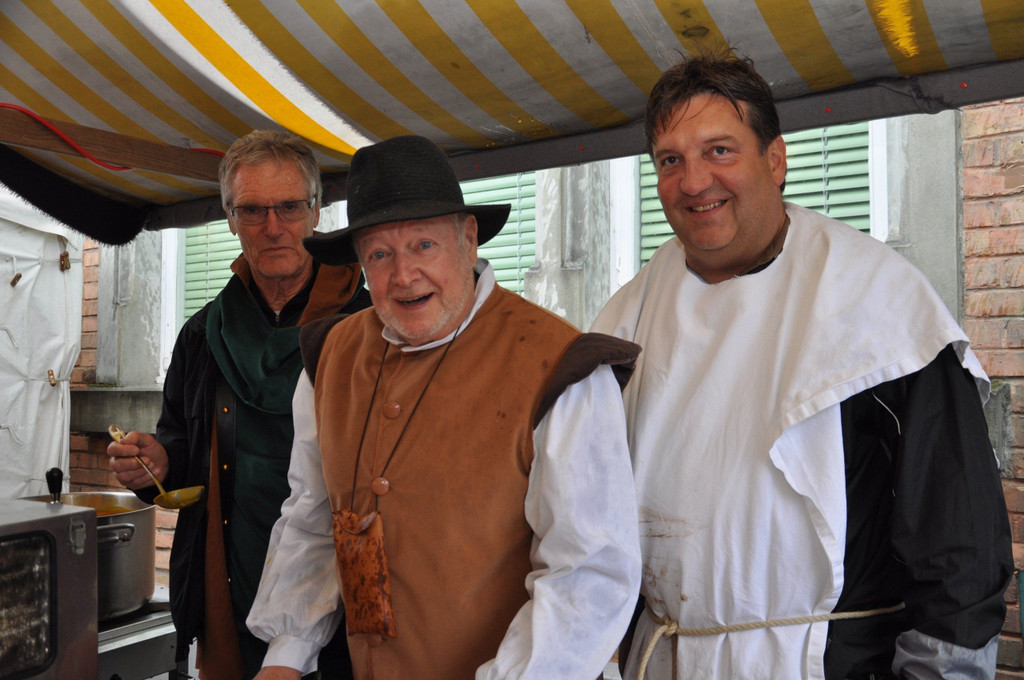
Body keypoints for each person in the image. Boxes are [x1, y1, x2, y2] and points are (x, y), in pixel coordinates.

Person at [591, 50, 1013, 680]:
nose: (694, 181)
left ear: (776, 160)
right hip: (664, 659)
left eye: (719, 150)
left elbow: (959, 542)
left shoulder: (879, 303)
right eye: (670, 160)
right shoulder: (624, 321)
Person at [245, 134, 642, 680]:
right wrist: (285, 658)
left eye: (424, 245)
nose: (403, 275)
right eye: (380, 254)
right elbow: (314, 517)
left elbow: (588, 575)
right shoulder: (329, 358)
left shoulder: (559, 367)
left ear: (469, 239)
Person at [107, 130, 369, 680]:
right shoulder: (204, 334)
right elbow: (179, 443)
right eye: (251, 210)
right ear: (229, 218)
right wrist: (158, 463)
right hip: (230, 582)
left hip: (349, 590)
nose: (272, 227)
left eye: (289, 207)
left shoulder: (367, 328)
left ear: (317, 210)